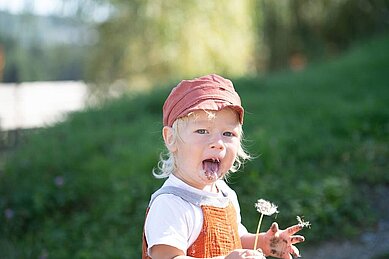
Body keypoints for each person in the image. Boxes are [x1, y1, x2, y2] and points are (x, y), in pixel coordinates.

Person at [142, 74, 305, 259]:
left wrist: (263, 243)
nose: (218, 143)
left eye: (228, 133)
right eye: (202, 131)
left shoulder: (224, 195)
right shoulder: (170, 204)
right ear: (171, 139)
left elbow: (236, 239)